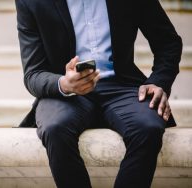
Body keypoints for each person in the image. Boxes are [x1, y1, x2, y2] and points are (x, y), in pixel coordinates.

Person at [15, 0, 182, 187]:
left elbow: (168, 43)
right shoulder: (31, 2)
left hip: (122, 86)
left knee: (148, 127)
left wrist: (158, 81)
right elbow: (33, 74)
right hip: (67, 93)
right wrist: (64, 83)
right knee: (55, 128)